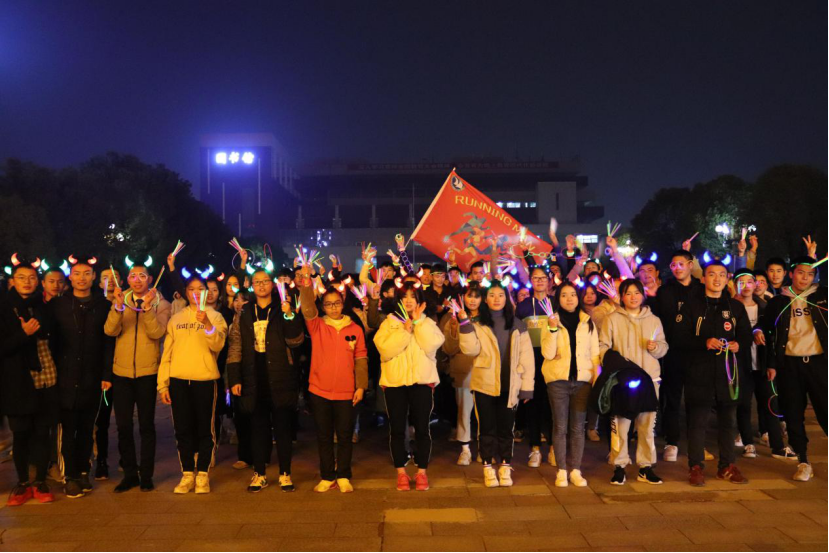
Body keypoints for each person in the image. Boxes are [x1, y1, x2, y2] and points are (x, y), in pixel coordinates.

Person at [675, 261, 752, 486]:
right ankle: (696, 466)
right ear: (703, 278)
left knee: (728, 421)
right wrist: (704, 342)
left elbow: (746, 334)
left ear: (727, 279)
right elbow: (678, 337)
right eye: (711, 275)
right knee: (697, 421)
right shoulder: (691, 305)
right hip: (699, 371)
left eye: (721, 275)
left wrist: (739, 344)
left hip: (727, 373)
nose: (717, 279)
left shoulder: (735, 307)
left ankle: (727, 465)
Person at [226, 270, 304, 493]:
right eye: (257, 282)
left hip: (280, 375)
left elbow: (296, 341)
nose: (261, 285)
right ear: (252, 286)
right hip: (254, 377)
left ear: (272, 284)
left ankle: (285, 473)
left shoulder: (283, 308)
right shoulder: (245, 312)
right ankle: (259, 473)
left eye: (265, 281)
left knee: (283, 428)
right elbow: (236, 345)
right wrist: (235, 378)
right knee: (258, 428)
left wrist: (290, 316)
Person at [458, 280, 534, 488]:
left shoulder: (518, 324)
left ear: (507, 298)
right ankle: (487, 467)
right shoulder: (477, 323)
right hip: (484, 383)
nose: (496, 299)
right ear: (485, 299)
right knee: (486, 428)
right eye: (492, 295)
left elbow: (527, 358)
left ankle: (505, 466)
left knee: (506, 429)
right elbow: (470, 350)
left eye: (501, 295)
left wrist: (527, 388)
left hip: (510, 384)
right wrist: (464, 324)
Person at [298, 267, 367, 493]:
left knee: (345, 435)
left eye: (336, 303)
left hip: (347, 391)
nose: (333, 307)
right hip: (320, 390)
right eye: (328, 304)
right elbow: (307, 307)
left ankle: (344, 474)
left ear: (343, 302)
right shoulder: (317, 325)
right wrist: (306, 281)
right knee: (324, 435)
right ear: (323, 307)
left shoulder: (354, 329)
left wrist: (361, 386)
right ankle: (327, 475)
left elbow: (361, 358)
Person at [104, 263, 171, 492]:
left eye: (142, 276)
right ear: (127, 279)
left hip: (147, 372)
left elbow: (157, 333)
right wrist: (118, 308)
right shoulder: (120, 300)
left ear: (150, 279)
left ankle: (146, 475)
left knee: (146, 426)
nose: (137, 280)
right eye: (133, 276)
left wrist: (148, 309)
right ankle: (130, 474)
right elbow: (110, 331)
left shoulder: (162, 304)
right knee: (123, 426)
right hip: (121, 373)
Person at [158, 275, 228, 494]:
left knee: (205, 429)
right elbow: (167, 353)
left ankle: (203, 474)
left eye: (200, 289)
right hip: (179, 380)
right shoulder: (176, 319)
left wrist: (206, 324)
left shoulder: (216, 317)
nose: (196, 292)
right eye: (191, 289)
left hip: (204, 379)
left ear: (207, 292)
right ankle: (187, 473)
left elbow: (218, 344)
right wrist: (163, 384)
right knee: (182, 428)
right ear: (186, 292)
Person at [51, 258, 114, 498]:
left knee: (88, 428)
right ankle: (70, 476)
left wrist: (106, 374)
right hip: (65, 376)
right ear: (70, 276)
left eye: (86, 273)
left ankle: (84, 470)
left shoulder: (103, 305)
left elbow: (108, 342)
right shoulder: (59, 305)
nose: (81, 278)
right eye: (77, 273)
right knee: (68, 429)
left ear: (94, 276)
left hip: (92, 375)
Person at [374, 282, 444, 492]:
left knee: (422, 428)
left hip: (421, 383)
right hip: (395, 383)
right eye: (404, 296)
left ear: (420, 300)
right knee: (397, 429)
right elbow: (385, 350)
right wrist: (405, 331)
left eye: (413, 296)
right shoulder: (390, 323)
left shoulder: (427, 322)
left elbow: (432, 346)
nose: (409, 300)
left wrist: (418, 323)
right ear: (398, 300)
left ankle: (422, 472)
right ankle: (401, 473)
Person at [0, 259, 60, 505]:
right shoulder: (4, 308)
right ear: (12, 281)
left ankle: (40, 481)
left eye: (32, 278)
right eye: (21, 278)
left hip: (46, 376)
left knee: (42, 432)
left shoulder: (43, 306)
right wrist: (23, 334)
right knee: (21, 434)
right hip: (17, 381)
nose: (27, 282)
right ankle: (23, 482)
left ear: (38, 282)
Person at [764, 256, 827, 482]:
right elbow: (769, 333)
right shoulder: (778, 302)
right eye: (801, 273)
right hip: (789, 364)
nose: (805, 278)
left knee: (826, 409)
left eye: (810, 274)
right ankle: (803, 461)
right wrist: (771, 363)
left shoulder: (822, 296)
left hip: (819, 362)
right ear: (791, 274)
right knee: (793, 413)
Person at [600, 279, 668, 486]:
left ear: (643, 295)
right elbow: (603, 346)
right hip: (623, 380)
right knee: (620, 425)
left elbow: (663, 347)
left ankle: (646, 467)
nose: (633, 297)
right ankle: (619, 466)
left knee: (647, 426)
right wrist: (617, 364)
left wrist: (656, 347)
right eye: (628, 293)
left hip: (649, 379)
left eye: (637, 292)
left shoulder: (654, 320)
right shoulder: (612, 319)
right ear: (622, 297)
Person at [731, 269, 795, 461]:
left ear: (755, 284)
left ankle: (777, 446)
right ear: (735, 285)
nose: (746, 286)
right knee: (743, 405)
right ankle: (748, 443)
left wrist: (771, 364)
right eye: (741, 282)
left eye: (749, 282)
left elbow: (773, 338)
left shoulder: (765, 308)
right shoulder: (729, 308)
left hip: (762, 364)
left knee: (770, 403)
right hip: (740, 365)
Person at [540, 282, 600, 487]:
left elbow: (594, 353)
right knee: (560, 426)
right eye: (564, 295)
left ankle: (575, 469)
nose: (569, 299)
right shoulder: (551, 320)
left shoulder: (587, 321)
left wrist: (595, 376)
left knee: (577, 427)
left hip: (582, 381)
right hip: (558, 380)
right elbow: (547, 353)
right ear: (558, 299)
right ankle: (561, 470)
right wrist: (552, 328)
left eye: (573, 294)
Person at [654, 250, 704, 462]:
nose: (677, 268)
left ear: (691, 265)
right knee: (672, 399)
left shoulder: (702, 289)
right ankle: (671, 442)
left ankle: (697, 445)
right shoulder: (665, 291)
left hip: (698, 353)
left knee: (697, 401)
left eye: (681, 264)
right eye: (673, 265)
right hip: (672, 353)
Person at [514, 266, 555, 467]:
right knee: (532, 403)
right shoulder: (523, 306)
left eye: (543, 278)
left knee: (552, 404)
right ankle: (535, 448)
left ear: (548, 281)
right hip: (530, 359)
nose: (539, 281)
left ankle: (554, 448)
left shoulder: (555, 303)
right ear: (530, 281)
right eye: (535, 278)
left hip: (552, 359)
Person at [440, 283, 482, 465]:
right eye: (469, 296)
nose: (473, 300)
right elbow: (448, 349)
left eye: (477, 296)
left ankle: (484, 448)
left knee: (484, 411)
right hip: (463, 370)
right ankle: (465, 449)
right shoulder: (453, 318)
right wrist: (453, 331)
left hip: (484, 370)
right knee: (464, 410)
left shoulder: (487, 318)